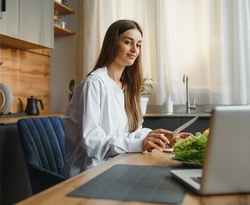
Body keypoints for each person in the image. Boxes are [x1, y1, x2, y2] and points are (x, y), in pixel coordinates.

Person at [62, 19, 187, 178]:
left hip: (119, 166)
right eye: (128, 42)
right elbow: (92, 142)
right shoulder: (94, 84)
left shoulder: (128, 87)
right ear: (112, 44)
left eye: (139, 45)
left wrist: (163, 138)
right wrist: (139, 144)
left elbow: (132, 133)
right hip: (89, 173)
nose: (135, 49)